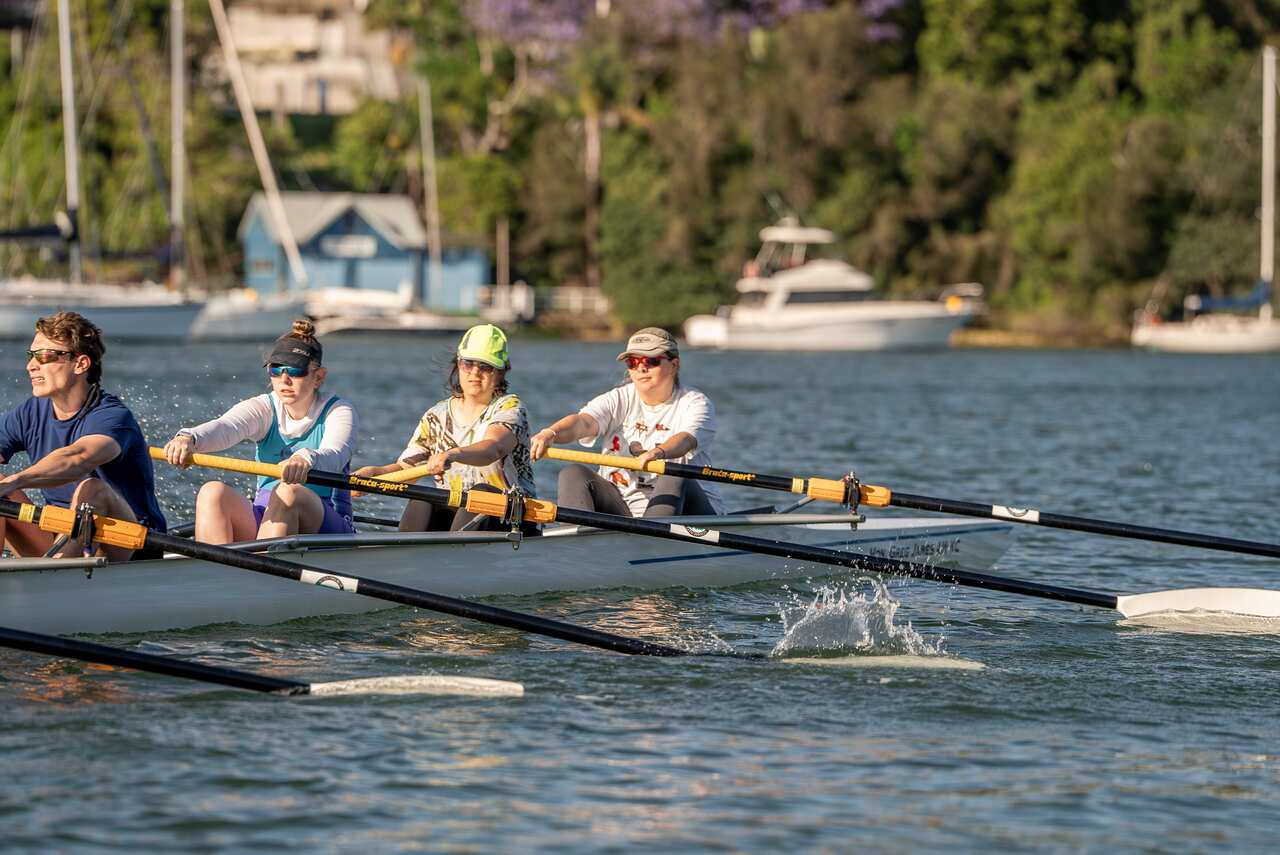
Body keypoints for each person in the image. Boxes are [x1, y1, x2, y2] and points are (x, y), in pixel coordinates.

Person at [162, 319, 356, 544]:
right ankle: (213, 573)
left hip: (327, 524)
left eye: (296, 370)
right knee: (211, 492)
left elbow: (336, 453)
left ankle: (257, 570)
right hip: (267, 518)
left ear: (319, 377)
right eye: (276, 369)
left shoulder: (339, 411)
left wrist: (305, 458)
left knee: (288, 491)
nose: (285, 379)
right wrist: (188, 438)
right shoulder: (264, 408)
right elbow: (225, 427)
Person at [0, 311, 167, 560]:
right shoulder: (30, 413)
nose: (31, 365)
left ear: (81, 364)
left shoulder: (112, 417)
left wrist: (17, 480)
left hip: (128, 545)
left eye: (45, 356)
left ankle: (58, 575)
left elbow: (77, 458)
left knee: (92, 489)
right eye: (31, 356)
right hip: (60, 538)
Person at [351, 323, 537, 534]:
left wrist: (453, 454)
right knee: (424, 499)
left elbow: (492, 449)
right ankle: (403, 559)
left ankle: (452, 556)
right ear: (458, 365)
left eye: (486, 367)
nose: (475, 372)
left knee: (480, 494)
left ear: (501, 372)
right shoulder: (436, 416)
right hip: (461, 514)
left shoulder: (510, 408)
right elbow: (407, 470)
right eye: (468, 363)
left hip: (513, 518)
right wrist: (376, 473)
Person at [529, 326, 724, 518]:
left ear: (674, 364)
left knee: (674, 475)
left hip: (690, 510)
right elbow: (583, 423)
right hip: (622, 508)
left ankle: (648, 544)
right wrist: (550, 433)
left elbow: (686, 440)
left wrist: (659, 452)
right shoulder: (619, 398)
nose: (641, 367)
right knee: (573, 473)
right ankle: (578, 544)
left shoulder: (695, 403)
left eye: (651, 360)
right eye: (632, 362)